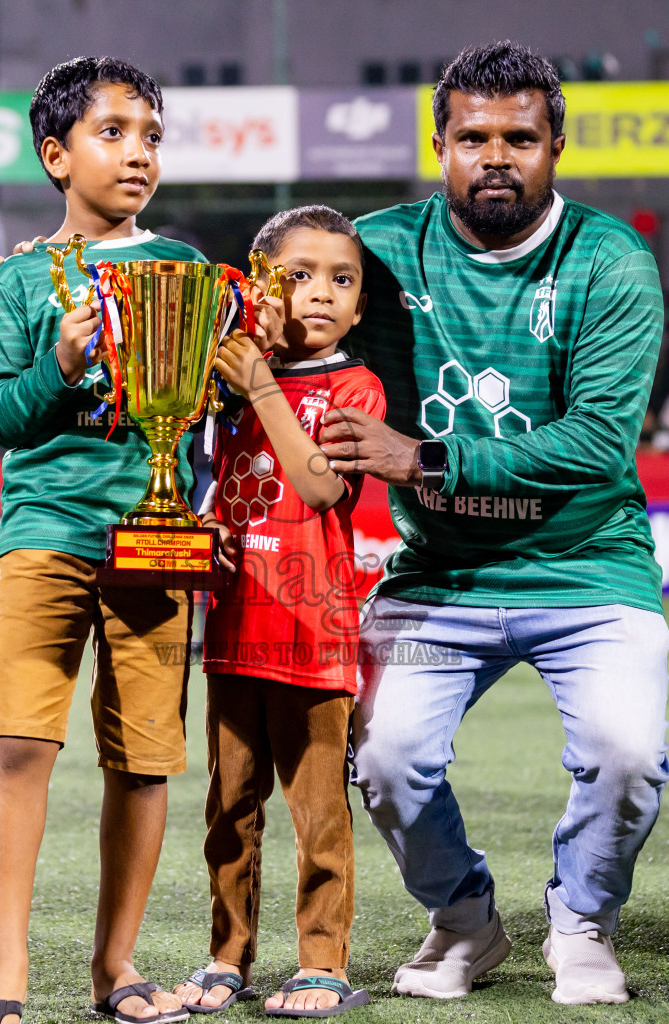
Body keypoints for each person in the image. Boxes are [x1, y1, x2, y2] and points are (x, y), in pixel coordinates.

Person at [317, 42, 669, 1005]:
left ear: (556, 146)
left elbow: (597, 443)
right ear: (440, 146)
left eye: (520, 137)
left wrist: (423, 457)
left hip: (587, 566)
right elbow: (274, 298)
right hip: (439, 572)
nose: (496, 157)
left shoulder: (610, 259)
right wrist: (73, 274)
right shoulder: (376, 251)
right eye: (474, 137)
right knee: (383, 757)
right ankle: (465, 920)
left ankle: (582, 921)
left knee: (627, 755)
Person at [0, 57, 212, 1024]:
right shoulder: (19, 279)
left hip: (157, 541)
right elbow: (2, 416)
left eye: (151, 136)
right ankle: (6, 973)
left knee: (142, 760)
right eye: (113, 133)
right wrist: (63, 363)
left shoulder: (188, 271)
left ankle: (117, 967)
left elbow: (214, 401)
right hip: (46, 535)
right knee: (19, 745)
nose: (138, 153)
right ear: (56, 155)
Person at [170, 206, 384, 1019]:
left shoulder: (355, 386)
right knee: (229, 810)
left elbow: (322, 486)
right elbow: (193, 475)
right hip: (233, 629)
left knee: (318, 814)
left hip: (315, 636)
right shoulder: (215, 381)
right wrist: (200, 526)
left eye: (342, 280)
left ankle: (323, 965)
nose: (322, 293)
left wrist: (260, 386)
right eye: (299, 276)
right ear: (261, 288)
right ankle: (228, 958)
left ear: (359, 306)